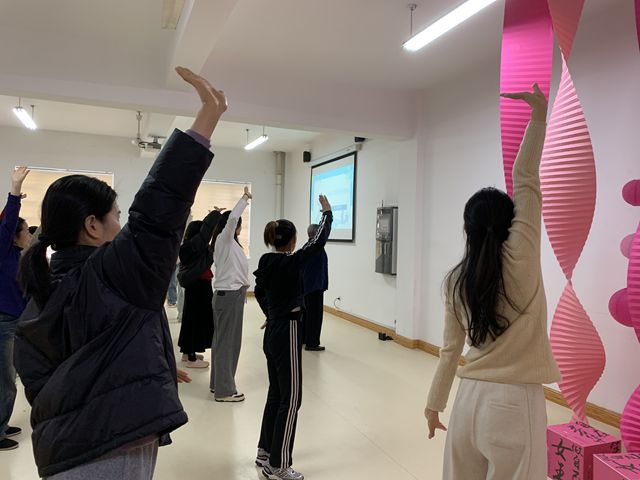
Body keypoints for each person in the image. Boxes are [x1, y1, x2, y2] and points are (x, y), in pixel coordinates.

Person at [13, 66, 227, 479]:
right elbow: (157, 212)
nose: (121, 224)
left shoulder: (47, 285)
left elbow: (58, 370)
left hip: (65, 446)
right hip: (108, 445)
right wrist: (207, 117)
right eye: (115, 215)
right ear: (92, 225)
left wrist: (142, 364)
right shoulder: (111, 274)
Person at [424, 84, 560, 480]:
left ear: (467, 229)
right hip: (515, 403)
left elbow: (450, 351)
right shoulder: (521, 256)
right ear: (511, 223)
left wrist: (434, 405)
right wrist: (538, 116)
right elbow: (525, 177)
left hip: (468, 400)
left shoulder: (455, 280)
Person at [254, 195, 332, 480]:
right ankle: (277, 465)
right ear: (291, 240)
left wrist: (270, 313)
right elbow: (317, 243)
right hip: (286, 330)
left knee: (276, 393)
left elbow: (259, 291)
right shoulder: (291, 262)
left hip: (274, 329)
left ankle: (265, 451)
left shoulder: (266, 260)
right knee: (292, 399)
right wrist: (327, 214)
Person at [209, 189, 251, 402]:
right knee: (228, 344)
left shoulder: (228, 243)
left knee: (221, 342)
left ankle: (217, 384)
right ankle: (225, 391)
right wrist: (244, 200)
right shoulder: (224, 240)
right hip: (230, 296)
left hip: (229, 295)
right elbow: (232, 219)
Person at [0, 166, 31, 451]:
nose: (28, 234)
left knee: (7, 378)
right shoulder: (4, 251)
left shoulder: (18, 256)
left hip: (13, 320)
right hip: (4, 322)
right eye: (25, 231)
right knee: (6, 380)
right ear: (14, 236)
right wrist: (14, 192)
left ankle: (2, 422)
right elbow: (8, 222)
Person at [177, 208, 224, 368]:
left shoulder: (191, 249)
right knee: (194, 321)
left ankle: (187, 352)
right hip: (199, 286)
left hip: (197, 286)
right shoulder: (192, 247)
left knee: (191, 319)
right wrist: (215, 214)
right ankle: (191, 358)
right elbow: (206, 232)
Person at [302, 223, 329, 351]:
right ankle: (312, 343)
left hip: (308, 286)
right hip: (314, 287)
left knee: (307, 315)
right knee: (314, 316)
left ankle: (304, 338)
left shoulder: (307, 246)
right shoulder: (316, 247)